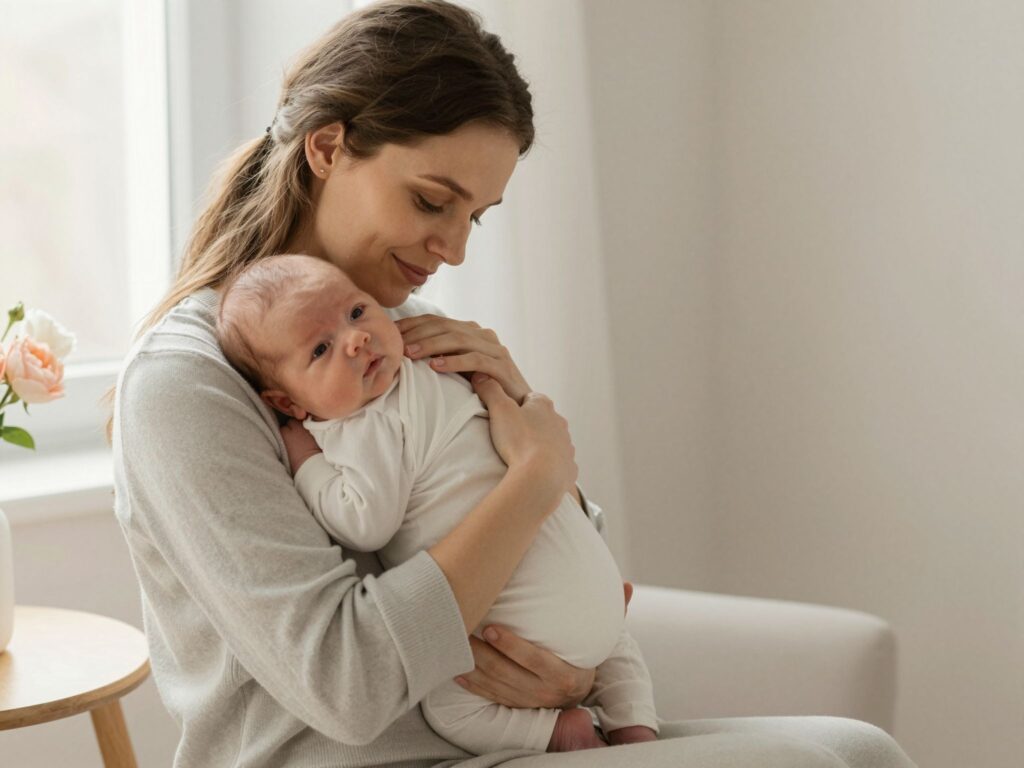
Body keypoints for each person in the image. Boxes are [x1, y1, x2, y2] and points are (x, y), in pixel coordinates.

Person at [110, 1, 919, 766]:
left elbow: (553, 561)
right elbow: (349, 687)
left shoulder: (407, 338)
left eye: (477, 216)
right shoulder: (184, 389)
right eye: (433, 200)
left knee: (853, 747)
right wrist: (535, 478)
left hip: (513, 738)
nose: (454, 249)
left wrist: (568, 631)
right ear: (327, 148)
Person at [215, 253, 660, 754]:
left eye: (357, 313)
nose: (355, 339)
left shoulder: (366, 424)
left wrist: (308, 464)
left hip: (528, 625)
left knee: (450, 703)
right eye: (322, 348)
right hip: (596, 594)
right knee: (615, 637)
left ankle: (562, 734)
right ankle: (634, 721)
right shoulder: (440, 367)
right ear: (287, 401)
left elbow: (365, 525)